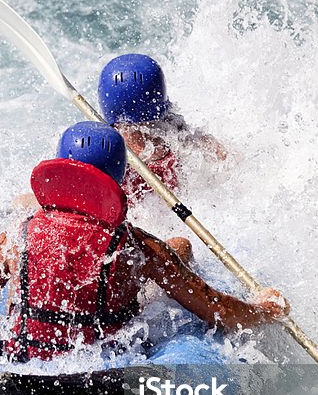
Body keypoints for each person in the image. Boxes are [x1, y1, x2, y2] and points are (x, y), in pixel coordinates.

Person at [0, 122, 288, 363]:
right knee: (177, 252)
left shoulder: (15, 237)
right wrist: (266, 309)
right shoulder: (138, 248)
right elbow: (222, 314)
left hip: (23, 362)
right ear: (119, 179)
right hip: (100, 381)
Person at [97, 52, 226, 264]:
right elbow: (225, 159)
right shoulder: (182, 135)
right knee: (180, 247)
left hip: (129, 244)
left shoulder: (103, 149)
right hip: (173, 238)